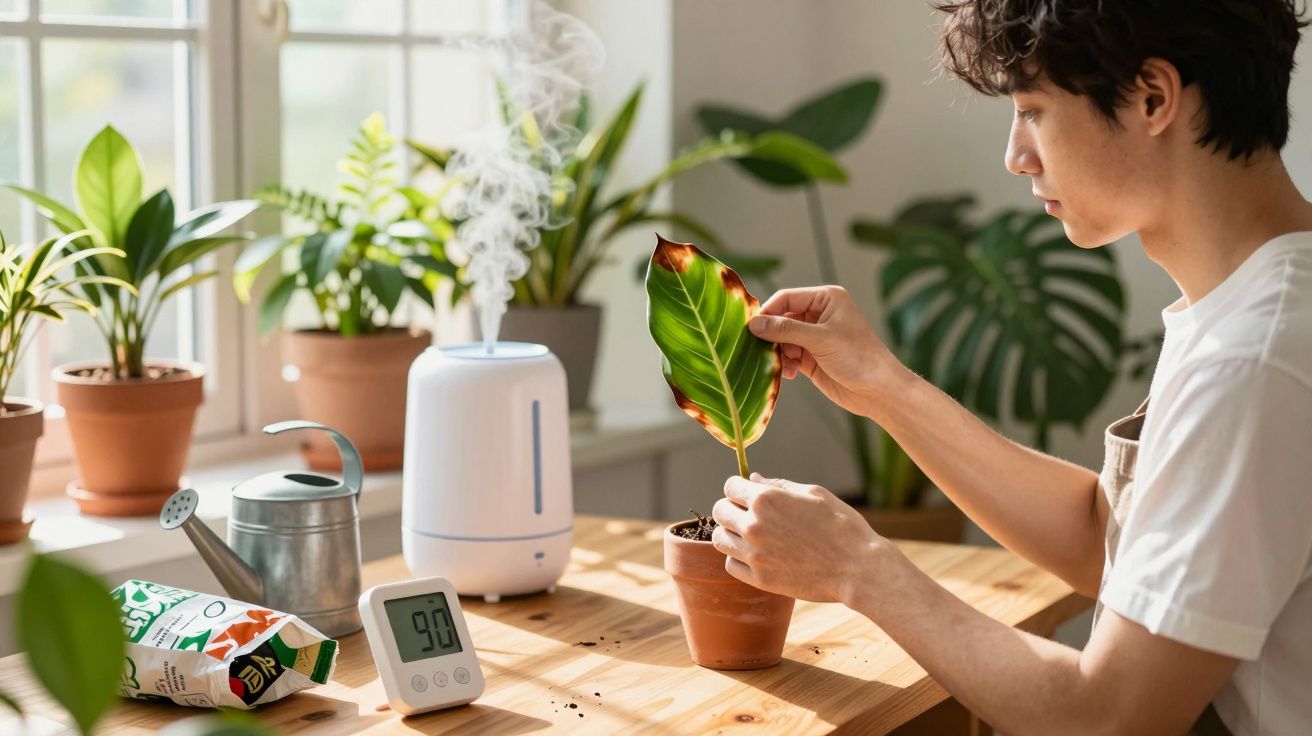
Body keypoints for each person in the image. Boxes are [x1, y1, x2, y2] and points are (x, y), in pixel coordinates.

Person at [709, 2, 1312, 733]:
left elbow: (1110, 718)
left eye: (1032, 111)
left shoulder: (1255, 359)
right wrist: (884, 387)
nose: (1016, 156)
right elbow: (1109, 543)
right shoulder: (1254, 307)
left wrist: (856, 567)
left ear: (1154, 97)